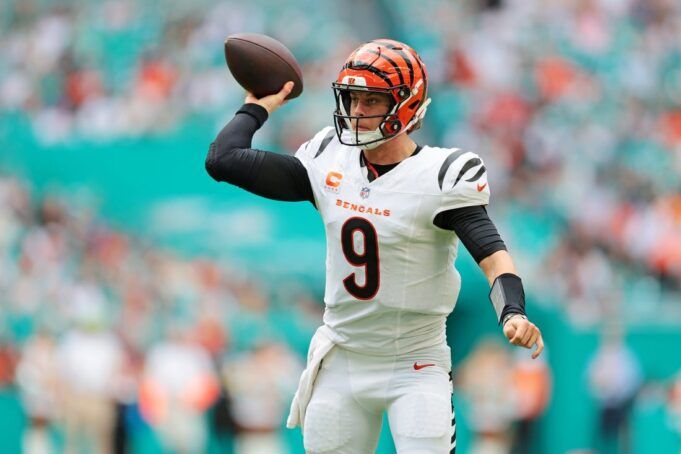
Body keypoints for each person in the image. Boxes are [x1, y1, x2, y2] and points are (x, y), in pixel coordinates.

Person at [206, 38, 544, 453]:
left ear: (405, 105)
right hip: (343, 356)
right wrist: (256, 106)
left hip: (415, 360)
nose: (357, 111)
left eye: (371, 100)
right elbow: (223, 160)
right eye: (352, 98)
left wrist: (512, 311)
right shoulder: (328, 159)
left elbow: (492, 256)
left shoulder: (440, 176)